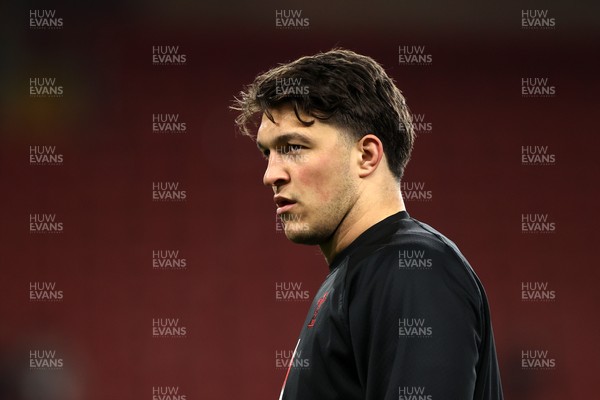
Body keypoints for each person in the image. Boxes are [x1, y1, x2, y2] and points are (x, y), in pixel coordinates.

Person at [232, 49, 503, 400]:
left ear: (366, 155)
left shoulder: (412, 269)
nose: (271, 174)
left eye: (294, 147)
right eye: (267, 153)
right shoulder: (360, 272)